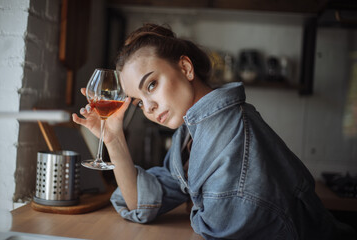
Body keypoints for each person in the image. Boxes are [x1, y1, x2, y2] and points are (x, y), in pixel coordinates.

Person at [72, 23, 356, 239]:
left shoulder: (231, 136)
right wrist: (113, 137)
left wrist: (191, 209)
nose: (148, 108)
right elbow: (142, 202)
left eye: (152, 85)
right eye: (139, 101)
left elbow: (219, 229)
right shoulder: (191, 133)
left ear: (185, 67)